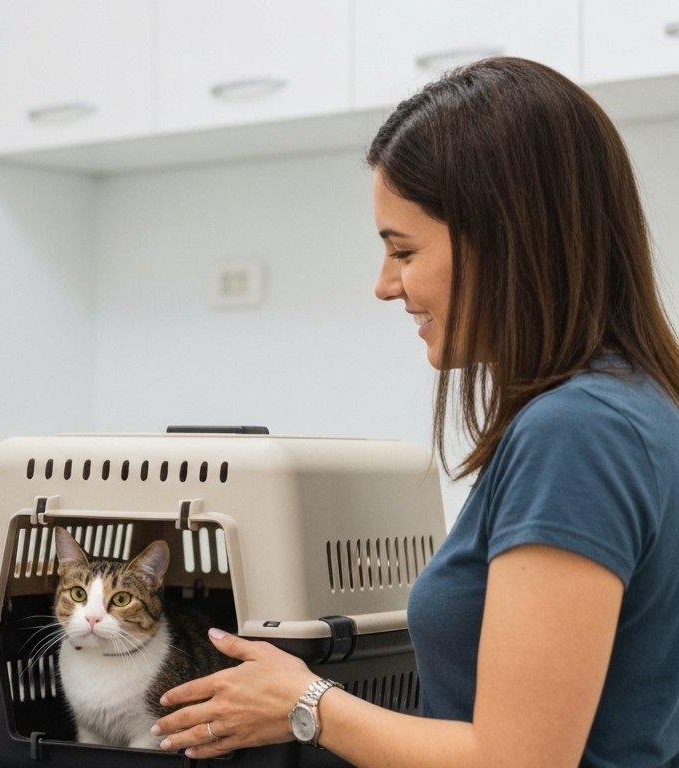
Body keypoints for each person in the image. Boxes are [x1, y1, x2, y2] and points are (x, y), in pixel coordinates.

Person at [151, 57, 679, 767]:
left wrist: (305, 704)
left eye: (403, 250)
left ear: (506, 240)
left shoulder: (577, 432)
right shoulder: (639, 404)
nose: (384, 285)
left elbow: (516, 759)